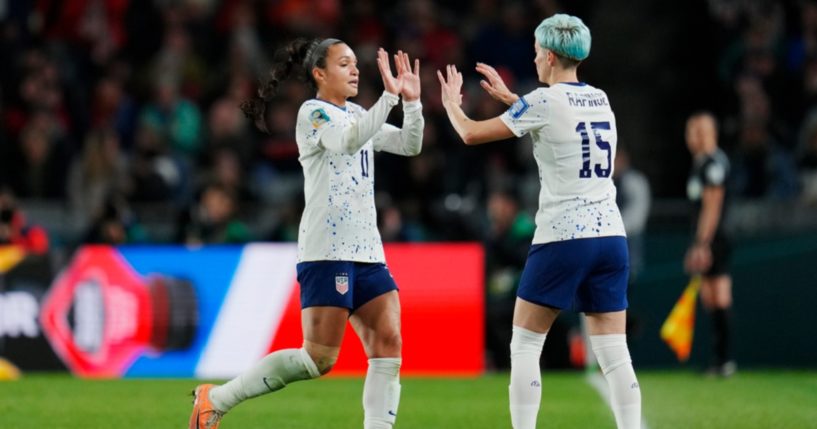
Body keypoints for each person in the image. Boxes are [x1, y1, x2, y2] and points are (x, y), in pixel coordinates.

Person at [188, 38, 423, 429]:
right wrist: (388, 99)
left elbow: (409, 144)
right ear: (319, 73)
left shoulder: (359, 113)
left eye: (355, 63)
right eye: (344, 64)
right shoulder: (313, 114)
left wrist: (411, 103)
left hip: (369, 251)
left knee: (389, 345)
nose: (355, 70)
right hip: (328, 250)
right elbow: (348, 141)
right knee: (318, 359)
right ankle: (217, 398)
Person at [438, 14, 641, 429]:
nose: (533, 58)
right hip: (610, 236)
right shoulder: (601, 99)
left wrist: (451, 107)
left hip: (564, 236)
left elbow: (471, 134)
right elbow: (561, 120)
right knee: (614, 352)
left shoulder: (544, 102)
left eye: (534, 51)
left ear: (548, 54)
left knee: (526, 344)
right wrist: (516, 100)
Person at [684, 112, 736, 377]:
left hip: (717, 238)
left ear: (712, 133)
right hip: (705, 238)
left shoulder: (714, 163)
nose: (695, 136)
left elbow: (712, 206)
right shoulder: (700, 163)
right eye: (692, 131)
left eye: (700, 130)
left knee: (719, 294)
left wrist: (702, 244)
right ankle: (719, 358)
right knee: (708, 297)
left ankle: (725, 359)